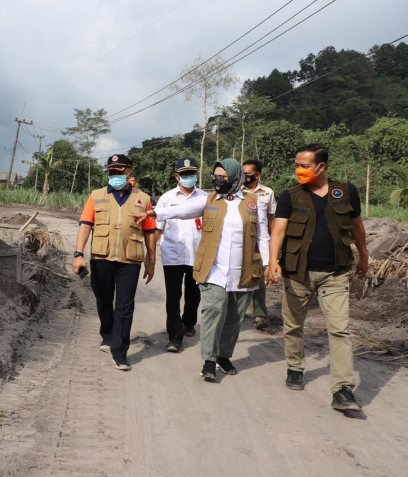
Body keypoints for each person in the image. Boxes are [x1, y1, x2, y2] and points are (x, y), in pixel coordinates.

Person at [135, 158, 268, 381]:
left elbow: (263, 235)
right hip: (214, 269)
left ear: (236, 177)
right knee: (213, 312)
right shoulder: (209, 200)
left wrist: (269, 263)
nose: (217, 180)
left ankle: (224, 356)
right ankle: (209, 360)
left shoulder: (253, 203)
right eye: (214, 176)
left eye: (222, 177)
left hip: (244, 269)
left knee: (234, 318)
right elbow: (182, 210)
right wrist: (152, 214)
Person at [265, 144, 369, 413]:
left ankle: (342, 389)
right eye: (297, 165)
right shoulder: (290, 196)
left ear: (321, 167)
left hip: (336, 272)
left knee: (339, 329)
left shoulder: (346, 192)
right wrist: (272, 261)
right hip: (298, 272)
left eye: (305, 166)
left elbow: (357, 226)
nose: (299, 170)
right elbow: (278, 231)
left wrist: (364, 256)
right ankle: (295, 367)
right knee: (294, 325)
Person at [72, 154, 158, 371]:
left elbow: (149, 232)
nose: (115, 175)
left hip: (130, 261)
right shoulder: (96, 196)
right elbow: (85, 225)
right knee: (103, 300)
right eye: (112, 172)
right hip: (101, 259)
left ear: (130, 172)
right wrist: (78, 254)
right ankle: (107, 333)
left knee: (125, 306)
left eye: (119, 171)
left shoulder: (144, 199)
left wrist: (151, 260)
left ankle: (120, 351)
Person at [154, 157, 207, 353]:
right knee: (173, 297)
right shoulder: (167, 199)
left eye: (192, 174)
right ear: (177, 176)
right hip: (173, 255)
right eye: (185, 174)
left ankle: (189, 323)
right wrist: (150, 254)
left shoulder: (205, 198)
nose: (189, 177)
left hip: (197, 255)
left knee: (194, 295)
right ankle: (175, 338)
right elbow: (158, 227)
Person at [242, 159, 276, 331]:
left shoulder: (267, 193)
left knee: (259, 279)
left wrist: (273, 246)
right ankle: (236, 313)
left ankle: (260, 314)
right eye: (243, 174)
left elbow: (271, 220)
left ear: (257, 175)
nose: (244, 177)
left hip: (260, 242)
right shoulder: (237, 191)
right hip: (241, 242)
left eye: (248, 175)